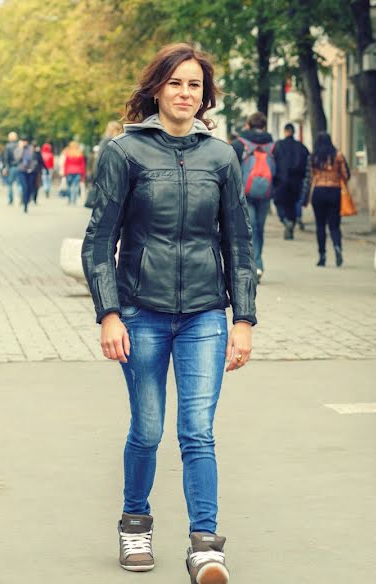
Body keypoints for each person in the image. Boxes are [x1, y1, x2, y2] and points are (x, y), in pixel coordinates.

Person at [81, 42, 256, 583]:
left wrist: (243, 319)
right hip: (140, 311)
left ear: (205, 97)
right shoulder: (124, 153)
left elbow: (240, 243)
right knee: (149, 427)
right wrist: (109, 313)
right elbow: (98, 241)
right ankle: (136, 521)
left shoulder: (221, 156)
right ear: (157, 87)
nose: (186, 93)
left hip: (205, 313)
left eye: (195, 85)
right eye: (176, 83)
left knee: (197, 430)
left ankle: (205, 544)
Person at [231, 112, 275, 282]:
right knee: (259, 230)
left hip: (245, 193)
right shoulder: (272, 146)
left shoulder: (239, 144)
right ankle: (258, 264)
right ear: (264, 126)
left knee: (249, 229)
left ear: (248, 125)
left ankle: (252, 266)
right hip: (265, 194)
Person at [302, 132, 348, 267]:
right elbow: (345, 175)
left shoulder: (313, 157)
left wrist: (305, 197)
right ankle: (337, 247)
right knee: (334, 225)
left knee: (320, 225)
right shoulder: (338, 155)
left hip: (319, 192)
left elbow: (309, 178)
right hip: (334, 192)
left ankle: (322, 256)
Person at [272, 123, 309, 240]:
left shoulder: (278, 145)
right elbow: (307, 165)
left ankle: (285, 220)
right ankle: (291, 224)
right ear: (294, 132)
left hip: (280, 181)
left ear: (285, 131)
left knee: (279, 203)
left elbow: (273, 162)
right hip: (296, 182)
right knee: (292, 205)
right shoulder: (302, 147)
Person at [85, 120, 124, 208]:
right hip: (119, 174)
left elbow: (99, 159)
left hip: (106, 174)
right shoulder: (123, 141)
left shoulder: (106, 141)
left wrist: (95, 174)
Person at [16, 140, 38, 213]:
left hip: (31, 171)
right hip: (22, 171)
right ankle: (25, 204)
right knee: (24, 187)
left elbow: (35, 159)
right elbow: (17, 159)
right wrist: (22, 150)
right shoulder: (18, 150)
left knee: (30, 188)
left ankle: (27, 200)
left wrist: (33, 167)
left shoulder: (32, 150)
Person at [62, 141, 86, 205]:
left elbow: (66, 164)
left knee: (69, 186)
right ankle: (74, 201)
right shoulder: (80, 154)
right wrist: (83, 174)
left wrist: (65, 173)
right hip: (78, 172)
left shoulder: (68, 153)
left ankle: (69, 200)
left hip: (69, 171)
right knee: (75, 186)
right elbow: (82, 165)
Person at [2, 132, 20, 205]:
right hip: (20, 167)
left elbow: (6, 158)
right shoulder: (20, 145)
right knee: (19, 184)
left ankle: (11, 199)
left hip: (11, 167)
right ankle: (20, 198)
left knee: (10, 184)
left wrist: (6, 167)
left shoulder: (8, 146)